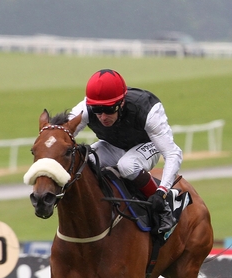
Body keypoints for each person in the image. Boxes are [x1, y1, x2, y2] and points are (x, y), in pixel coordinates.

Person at [67, 69, 182, 234]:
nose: (103, 116)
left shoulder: (148, 109)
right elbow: (62, 134)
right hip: (114, 146)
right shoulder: (85, 109)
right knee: (86, 159)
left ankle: (164, 209)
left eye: (109, 109)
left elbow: (173, 153)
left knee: (127, 165)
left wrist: (162, 191)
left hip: (148, 145)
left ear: (121, 103)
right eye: (97, 110)